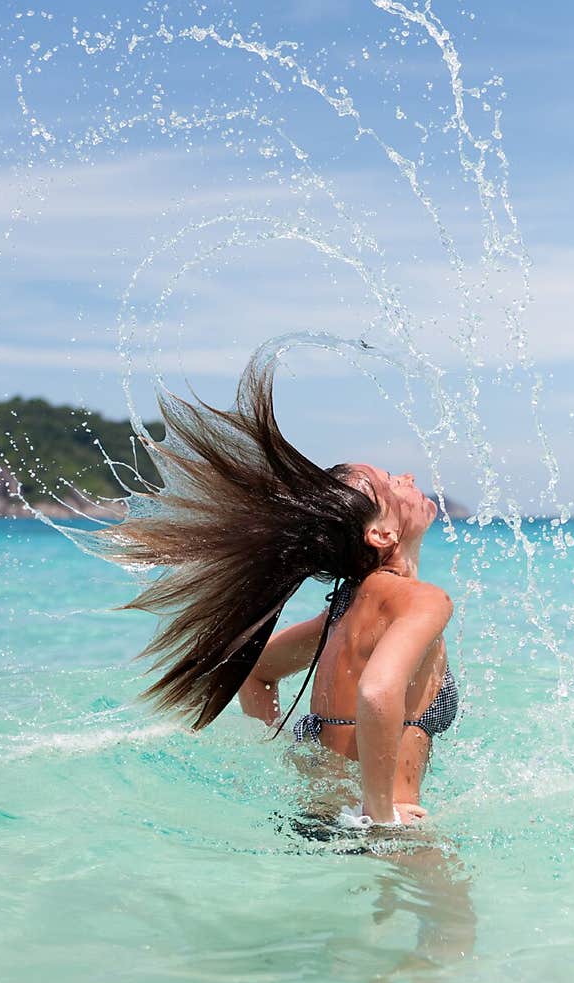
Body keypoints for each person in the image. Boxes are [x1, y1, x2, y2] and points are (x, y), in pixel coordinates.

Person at [94, 349, 457, 828]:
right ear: (381, 535)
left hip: (313, 820)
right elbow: (377, 693)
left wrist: (283, 760)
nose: (408, 478)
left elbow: (255, 672)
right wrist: (380, 815)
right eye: (392, 483)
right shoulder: (426, 601)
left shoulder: (343, 614)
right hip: (385, 834)